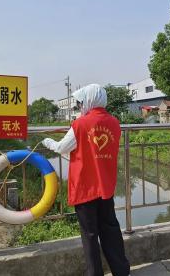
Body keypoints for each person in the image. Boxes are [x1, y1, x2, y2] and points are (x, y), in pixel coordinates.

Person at [42, 84, 130, 276]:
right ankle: (122, 271)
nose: (80, 106)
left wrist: (47, 142)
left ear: (89, 101)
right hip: (106, 186)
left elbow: (62, 148)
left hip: (85, 188)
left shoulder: (80, 124)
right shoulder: (114, 123)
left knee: (90, 235)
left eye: (81, 102)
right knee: (111, 230)